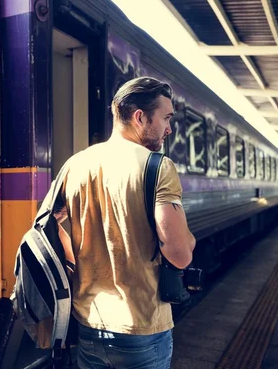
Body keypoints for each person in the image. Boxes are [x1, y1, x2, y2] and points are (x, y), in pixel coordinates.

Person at [53, 76, 196, 368]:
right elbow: (180, 255)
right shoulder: (158, 167)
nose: (169, 129)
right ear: (140, 117)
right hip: (141, 328)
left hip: (90, 323)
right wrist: (188, 240)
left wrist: (76, 260)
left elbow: (47, 226)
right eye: (166, 118)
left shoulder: (76, 163)